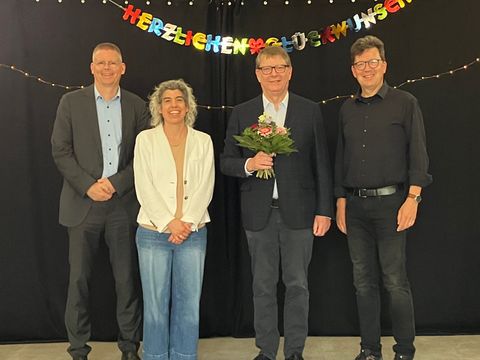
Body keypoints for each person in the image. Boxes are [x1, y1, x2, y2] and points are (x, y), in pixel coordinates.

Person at [220, 46, 333, 360]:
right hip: (259, 216)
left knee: (298, 285)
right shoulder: (243, 112)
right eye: (267, 69)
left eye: (280, 67)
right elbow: (226, 161)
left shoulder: (309, 110)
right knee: (263, 287)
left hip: (300, 214)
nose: (274, 74)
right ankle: (266, 351)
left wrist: (324, 210)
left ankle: (294, 350)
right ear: (257, 74)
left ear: (290, 71)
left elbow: (321, 164)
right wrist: (250, 164)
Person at [334, 35, 433, 360]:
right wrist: (340, 201)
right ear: (353, 70)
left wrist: (413, 198)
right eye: (361, 64)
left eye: (372, 62)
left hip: (394, 205)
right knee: (363, 283)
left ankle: (404, 351)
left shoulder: (405, 103)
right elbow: (340, 158)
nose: (367, 69)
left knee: (394, 281)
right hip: (356, 206)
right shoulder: (347, 109)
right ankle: (370, 349)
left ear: (384, 65)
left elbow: (418, 154)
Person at [51, 42, 148, 360]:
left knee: (126, 280)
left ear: (123, 67)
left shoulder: (137, 105)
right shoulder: (70, 102)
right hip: (82, 206)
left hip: (122, 206)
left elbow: (145, 155)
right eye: (101, 62)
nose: (107, 68)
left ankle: (129, 347)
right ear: (91, 67)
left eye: (113, 63)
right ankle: (78, 349)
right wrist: (88, 185)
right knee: (78, 280)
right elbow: (60, 150)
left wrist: (117, 183)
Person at [133, 79, 215, 360]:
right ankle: (155, 356)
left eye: (179, 99)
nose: (173, 105)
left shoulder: (203, 141)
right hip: (153, 233)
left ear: (188, 105)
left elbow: (206, 184)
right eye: (167, 100)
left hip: (193, 233)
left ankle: (183, 355)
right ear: (158, 106)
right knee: (155, 306)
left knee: (188, 305)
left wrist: (187, 222)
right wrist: (169, 222)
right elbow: (143, 185)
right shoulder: (145, 140)